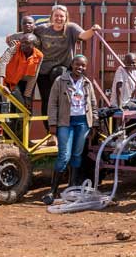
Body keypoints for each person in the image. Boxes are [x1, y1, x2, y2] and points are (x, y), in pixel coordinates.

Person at [42, 55, 99, 205]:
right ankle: (52, 192)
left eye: (83, 66)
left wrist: (94, 124)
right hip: (65, 122)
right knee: (64, 156)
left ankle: (71, 189)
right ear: (71, 65)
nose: (80, 68)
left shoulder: (87, 83)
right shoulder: (60, 81)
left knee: (77, 155)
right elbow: (52, 103)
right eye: (77, 65)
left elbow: (93, 104)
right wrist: (52, 124)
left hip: (82, 122)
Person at [34, 4, 102, 127]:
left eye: (61, 16)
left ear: (66, 18)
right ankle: (50, 131)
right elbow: (27, 34)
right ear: (51, 17)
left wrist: (93, 30)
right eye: (56, 16)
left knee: (62, 96)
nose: (58, 18)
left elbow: (84, 36)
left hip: (61, 70)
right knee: (47, 100)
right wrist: (12, 38)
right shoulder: (42, 29)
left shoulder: (71, 28)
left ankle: (64, 125)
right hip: (44, 71)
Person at [0, 34, 42, 105]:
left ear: (34, 45)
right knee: (0, 103)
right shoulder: (14, 47)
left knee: (21, 104)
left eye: (26, 42)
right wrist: (1, 86)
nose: (22, 44)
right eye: (22, 42)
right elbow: (2, 63)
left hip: (11, 80)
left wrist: (27, 95)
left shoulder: (39, 56)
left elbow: (33, 77)